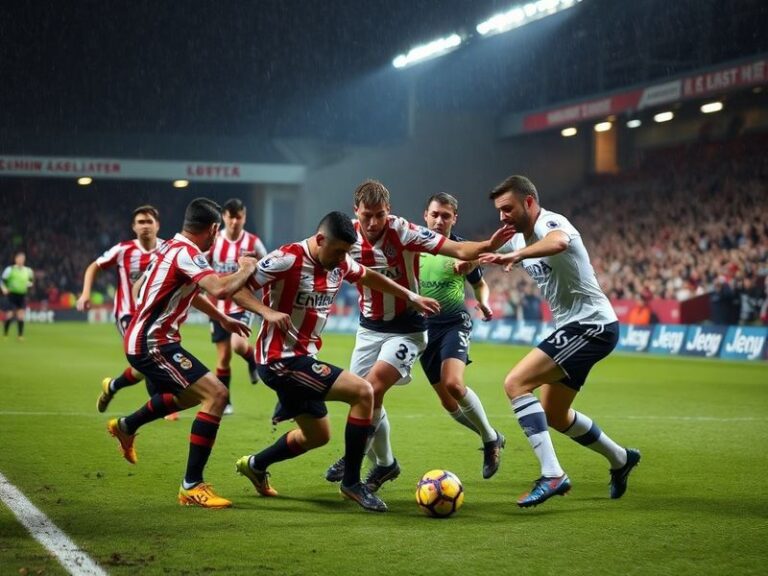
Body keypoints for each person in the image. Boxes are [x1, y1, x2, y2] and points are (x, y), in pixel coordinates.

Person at [231, 211, 440, 512]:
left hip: (303, 357)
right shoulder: (287, 258)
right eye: (339, 251)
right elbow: (238, 288)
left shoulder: (340, 262)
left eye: (347, 252)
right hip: (281, 361)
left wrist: (409, 295)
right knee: (363, 391)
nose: (343, 258)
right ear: (319, 240)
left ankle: (255, 465)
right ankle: (353, 483)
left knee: (317, 436)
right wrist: (266, 312)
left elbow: (368, 275)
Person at [325, 179, 514, 491]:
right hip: (369, 327)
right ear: (354, 211)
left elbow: (458, 248)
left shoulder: (405, 232)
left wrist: (488, 247)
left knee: (379, 388)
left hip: (412, 327)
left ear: (390, 212)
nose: (373, 223)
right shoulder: (347, 237)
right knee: (362, 397)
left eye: (380, 215)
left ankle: (353, 455)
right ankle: (385, 464)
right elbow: (319, 255)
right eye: (366, 216)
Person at [479, 175, 640, 508]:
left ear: (529, 202)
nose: (502, 217)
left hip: (591, 325)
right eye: (499, 211)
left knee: (516, 383)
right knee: (555, 413)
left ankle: (552, 474)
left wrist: (516, 256)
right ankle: (621, 458)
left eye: (508, 209)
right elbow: (485, 248)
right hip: (577, 327)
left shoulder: (551, 222)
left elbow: (558, 243)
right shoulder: (517, 239)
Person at [106, 198, 258, 508]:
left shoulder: (170, 247)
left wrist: (221, 317)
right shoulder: (188, 253)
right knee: (216, 395)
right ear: (214, 228)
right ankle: (192, 485)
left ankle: (126, 426)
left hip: (153, 339)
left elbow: (187, 289)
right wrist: (246, 267)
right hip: (152, 343)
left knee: (192, 396)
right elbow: (218, 288)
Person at [418, 192, 505, 479]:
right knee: (448, 403)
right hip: (423, 331)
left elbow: (480, 285)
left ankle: (490, 440)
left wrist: (484, 301)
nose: (439, 220)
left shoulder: (460, 248)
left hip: (454, 323)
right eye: (435, 214)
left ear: (454, 218)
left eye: (446, 215)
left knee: (454, 384)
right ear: (425, 215)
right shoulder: (412, 245)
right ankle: (491, 434)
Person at [76, 205, 164, 412]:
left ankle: (112, 386)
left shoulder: (167, 249)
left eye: (149, 221)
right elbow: (94, 266)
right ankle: (161, 402)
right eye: (140, 222)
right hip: (128, 314)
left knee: (150, 360)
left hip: (157, 315)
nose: (145, 226)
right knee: (147, 358)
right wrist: (86, 293)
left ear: (157, 225)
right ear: (133, 227)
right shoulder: (123, 249)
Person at [207, 198, 268, 415]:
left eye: (238, 217)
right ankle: (226, 401)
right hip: (217, 307)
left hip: (242, 304)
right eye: (230, 217)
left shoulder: (253, 242)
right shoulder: (213, 242)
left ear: (244, 217)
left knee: (239, 346)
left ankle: (252, 361)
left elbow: (269, 266)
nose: (234, 222)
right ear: (224, 217)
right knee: (223, 356)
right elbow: (203, 268)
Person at [1, 251, 34, 339]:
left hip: (22, 295)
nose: (21, 260)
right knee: (10, 314)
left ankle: (20, 335)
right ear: (16, 259)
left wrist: (28, 284)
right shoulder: (10, 269)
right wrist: (4, 288)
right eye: (19, 258)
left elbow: (30, 282)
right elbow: (2, 280)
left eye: (22, 259)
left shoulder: (28, 271)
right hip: (12, 295)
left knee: (21, 315)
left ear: (24, 260)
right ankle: (5, 333)